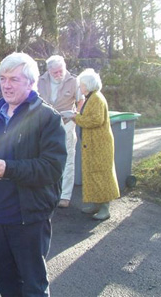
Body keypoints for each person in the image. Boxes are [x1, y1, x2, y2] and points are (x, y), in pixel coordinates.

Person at [0, 52, 67, 296]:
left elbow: (52, 168)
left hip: (30, 216)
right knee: (6, 283)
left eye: (13, 79)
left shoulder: (48, 117)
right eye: (3, 78)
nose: (6, 85)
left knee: (33, 285)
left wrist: (9, 169)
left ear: (31, 83)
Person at [71, 68, 120, 220]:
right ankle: (96, 204)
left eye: (82, 85)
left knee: (101, 173)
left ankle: (105, 207)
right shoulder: (92, 97)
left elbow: (96, 120)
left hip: (100, 144)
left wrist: (75, 118)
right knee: (93, 173)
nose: (80, 87)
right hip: (93, 143)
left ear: (88, 85)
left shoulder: (97, 98)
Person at [38, 55, 84, 208]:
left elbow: (81, 100)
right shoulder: (41, 80)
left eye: (60, 71)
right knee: (45, 157)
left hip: (66, 124)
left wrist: (76, 115)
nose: (58, 75)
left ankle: (65, 196)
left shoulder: (74, 81)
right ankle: (46, 192)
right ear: (48, 71)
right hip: (45, 125)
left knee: (68, 158)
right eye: (55, 73)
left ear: (65, 67)